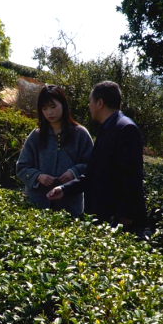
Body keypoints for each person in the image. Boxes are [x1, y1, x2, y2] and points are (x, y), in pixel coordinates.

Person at [47, 81, 146, 234]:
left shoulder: (126, 129)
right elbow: (93, 174)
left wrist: (124, 218)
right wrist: (64, 189)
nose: (89, 106)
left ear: (100, 103)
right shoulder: (108, 127)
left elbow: (132, 178)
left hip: (118, 221)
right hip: (103, 217)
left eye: (90, 101)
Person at [16, 85, 93, 216]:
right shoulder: (36, 135)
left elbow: (92, 165)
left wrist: (73, 172)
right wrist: (38, 177)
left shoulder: (80, 134)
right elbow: (22, 167)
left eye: (53, 107)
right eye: (44, 108)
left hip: (70, 207)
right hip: (37, 206)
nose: (49, 113)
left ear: (63, 105)